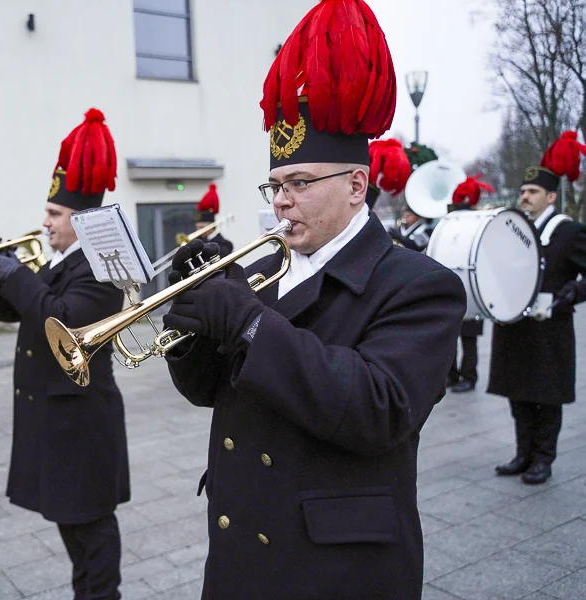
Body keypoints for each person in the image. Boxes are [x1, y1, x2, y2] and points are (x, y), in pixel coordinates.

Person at [161, 1, 467, 597]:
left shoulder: (419, 284)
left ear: (357, 186)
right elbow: (208, 392)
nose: (280, 201)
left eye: (299, 183)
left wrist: (247, 324)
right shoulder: (261, 272)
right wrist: (192, 331)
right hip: (241, 537)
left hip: (333, 566)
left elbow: (379, 409)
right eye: (275, 185)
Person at [0, 109, 130, 600]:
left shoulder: (101, 268)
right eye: (47, 211)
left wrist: (16, 274)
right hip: (57, 418)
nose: (44, 222)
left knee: (91, 525)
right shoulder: (60, 262)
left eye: (54, 214)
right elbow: (18, 312)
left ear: (82, 221)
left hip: (82, 421)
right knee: (70, 521)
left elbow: (59, 320)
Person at [490, 132, 586, 484]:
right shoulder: (512, 229)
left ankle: (544, 458)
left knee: (547, 395)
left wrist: (572, 292)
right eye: (522, 191)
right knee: (518, 392)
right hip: (515, 323)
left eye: (532, 192)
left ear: (550, 196)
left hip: (550, 325)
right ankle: (523, 453)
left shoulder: (569, 231)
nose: (524, 197)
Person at [446, 175, 494, 393]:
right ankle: (451, 374)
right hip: (453, 289)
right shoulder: (451, 227)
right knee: (451, 339)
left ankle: (469, 376)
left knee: (469, 339)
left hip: (473, 289)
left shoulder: (479, 227)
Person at [194, 183, 233, 256]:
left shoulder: (225, 244)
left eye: (201, 227)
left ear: (210, 227)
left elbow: (223, 253)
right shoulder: (197, 242)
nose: (198, 230)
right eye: (197, 227)